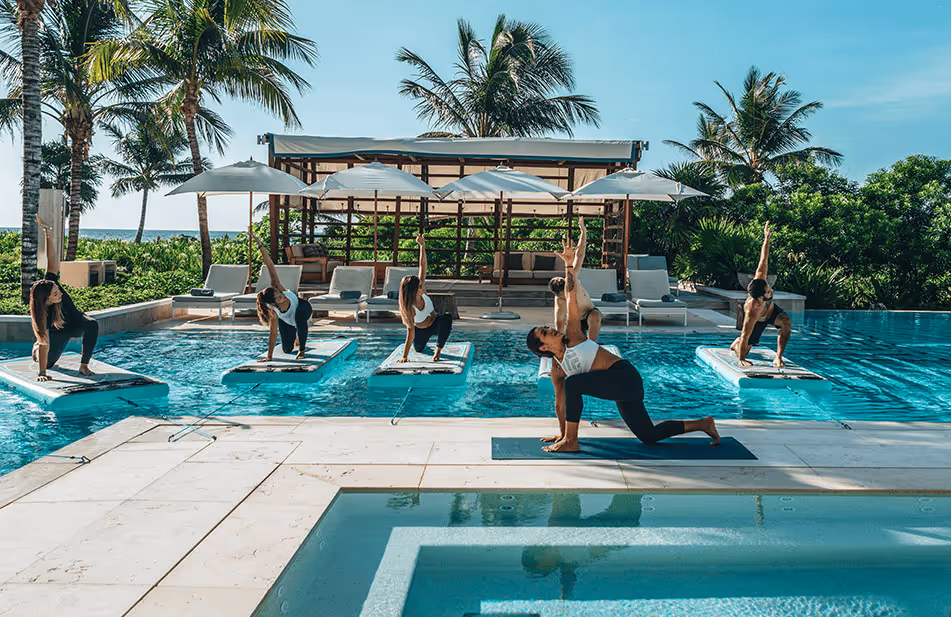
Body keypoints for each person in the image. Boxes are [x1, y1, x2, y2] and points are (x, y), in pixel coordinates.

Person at [526, 236, 719, 453]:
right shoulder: (556, 368)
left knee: (574, 384)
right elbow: (560, 403)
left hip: (624, 376)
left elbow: (571, 297)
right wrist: (562, 433)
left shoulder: (573, 335)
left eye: (547, 328)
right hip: (619, 386)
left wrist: (569, 266)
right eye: (545, 333)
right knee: (648, 435)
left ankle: (573, 442)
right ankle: (704, 424)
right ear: (542, 347)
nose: (551, 329)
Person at [30, 215, 99, 382]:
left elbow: (51, 260)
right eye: (55, 294)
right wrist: (42, 373)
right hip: (57, 332)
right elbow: (45, 342)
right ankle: (35, 350)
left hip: (74, 321)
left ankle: (84, 366)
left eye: (58, 290)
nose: (59, 293)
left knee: (92, 324)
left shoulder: (50, 284)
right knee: (48, 361)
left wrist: (47, 233)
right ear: (46, 299)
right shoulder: (42, 314)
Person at [730, 221, 792, 368]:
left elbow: (763, 259)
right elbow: (746, 333)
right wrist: (741, 359)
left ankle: (778, 357)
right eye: (767, 292)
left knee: (786, 321)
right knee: (744, 347)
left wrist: (766, 239)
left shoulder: (760, 279)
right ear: (759, 299)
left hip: (770, 313)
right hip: (758, 320)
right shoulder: (752, 309)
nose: (769, 289)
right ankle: (736, 343)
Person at [252, 232, 313, 361]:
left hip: (303, 307)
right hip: (287, 320)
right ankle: (295, 337)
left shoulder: (279, 288)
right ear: (274, 304)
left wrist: (261, 247)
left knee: (300, 317)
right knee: (287, 349)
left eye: (281, 295)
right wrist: (269, 357)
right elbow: (273, 334)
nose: (283, 297)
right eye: (279, 298)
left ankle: (302, 350)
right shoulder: (273, 312)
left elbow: (270, 266)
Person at [398, 234, 452, 363]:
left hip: (436, 323)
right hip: (421, 330)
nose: (422, 287)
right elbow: (410, 333)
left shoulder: (422, 289)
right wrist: (404, 356)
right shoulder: (409, 308)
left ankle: (437, 352)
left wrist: (422, 246)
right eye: (419, 286)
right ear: (412, 291)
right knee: (418, 349)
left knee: (447, 318)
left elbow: (422, 266)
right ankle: (422, 345)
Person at [548, 218, 601, 341]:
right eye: (565, 294)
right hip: (574, 321)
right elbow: (559, 326)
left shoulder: (573, 281)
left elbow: (580, 255)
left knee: (595, 316)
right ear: (558, 295)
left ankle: (592, 345)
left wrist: (583, 231)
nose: (568, 294)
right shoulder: (560, 303)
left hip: (589, 313)